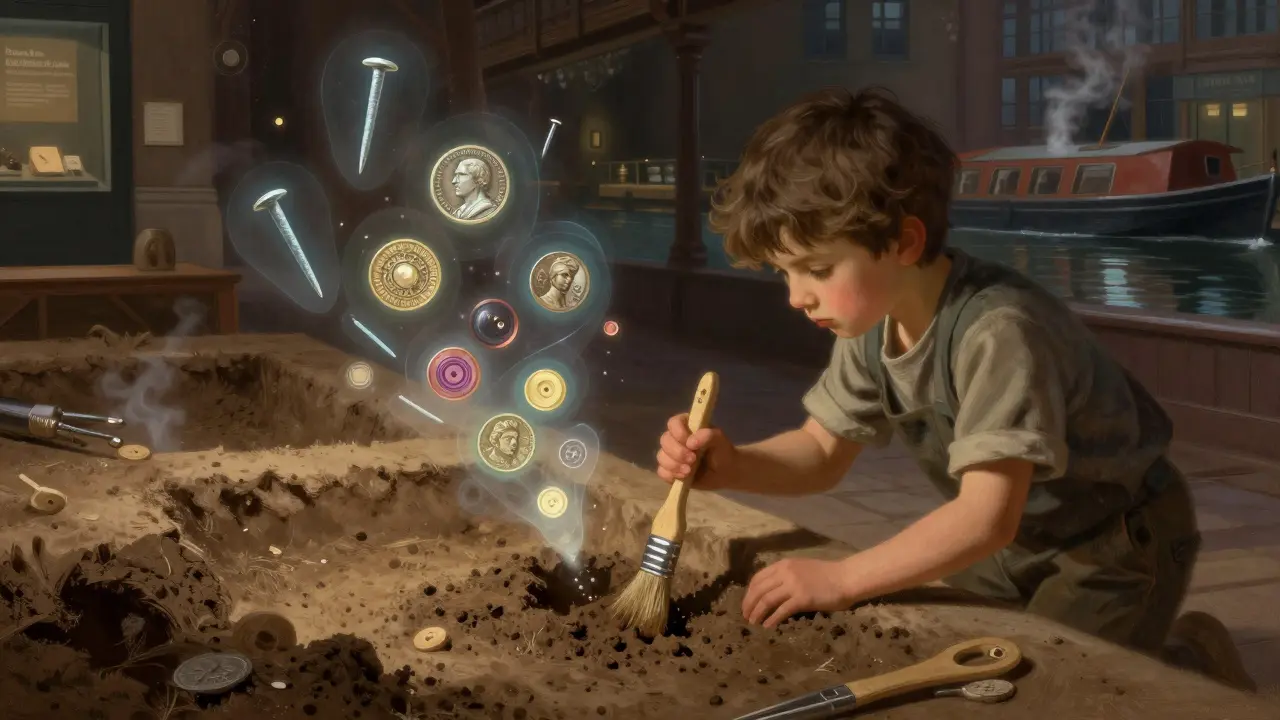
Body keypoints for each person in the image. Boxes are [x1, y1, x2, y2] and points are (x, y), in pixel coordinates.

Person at [653, 86, 1257, 693]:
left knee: (1061, 689)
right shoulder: (872, 319)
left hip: (1119, 541)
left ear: (905, 243)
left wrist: (840, 579)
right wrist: (730, 464)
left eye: (816, 269)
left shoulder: (999, 332)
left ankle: (1191, 664)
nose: (795, 295)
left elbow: (984, 517)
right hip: (1025, 535)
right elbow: (820, 452)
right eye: (785, 272)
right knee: (956, 655)